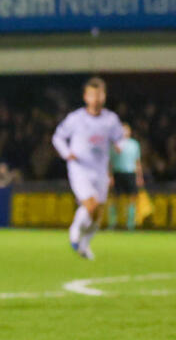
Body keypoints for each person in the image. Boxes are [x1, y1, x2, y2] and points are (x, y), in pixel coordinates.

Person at [53, 77, 125, 259]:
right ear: (86, 97)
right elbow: (58, 137)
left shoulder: (111, 120)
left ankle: (84, 245)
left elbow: (120, 138)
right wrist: (66, 153)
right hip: (80, 168)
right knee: (90, 204)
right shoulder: (76, 118)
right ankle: (75, 230)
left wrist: (119, 145)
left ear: (104, 97)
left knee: (97, 213)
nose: (96, 99)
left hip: (100, 170)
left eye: (99, 95)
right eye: (92, 95)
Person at [109, 123, 145, 230]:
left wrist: (139, 176)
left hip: (130, 173)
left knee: (132, 198)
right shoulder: (114, 144)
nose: (125, 132)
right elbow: (110, 162)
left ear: (130, 131)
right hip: (117, 172)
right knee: (114, 198)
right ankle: (113, 223)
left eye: (126, 130)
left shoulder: (134, 144)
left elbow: (137, 162)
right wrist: (110, 176)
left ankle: (130, 224)